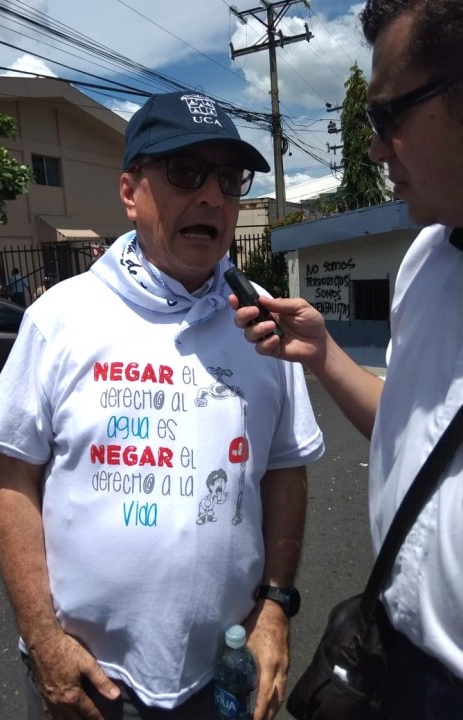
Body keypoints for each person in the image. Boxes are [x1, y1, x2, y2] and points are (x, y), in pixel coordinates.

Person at [0, 90, 324, 720]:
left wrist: (275, 607)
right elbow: (13, 476)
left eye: (227, 178)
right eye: (186, 173)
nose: (212, 197)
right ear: (131, 192)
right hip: (88, 684)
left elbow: (286, 469)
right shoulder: (62, 317)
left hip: (221, 676)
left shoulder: (267, 321)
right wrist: (45, 641)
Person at [231, 2, 463, 718]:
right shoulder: (427, 260)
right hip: (399, 661)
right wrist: (324, 353)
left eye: (387, 117)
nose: (374, 150)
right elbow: (412, 436)